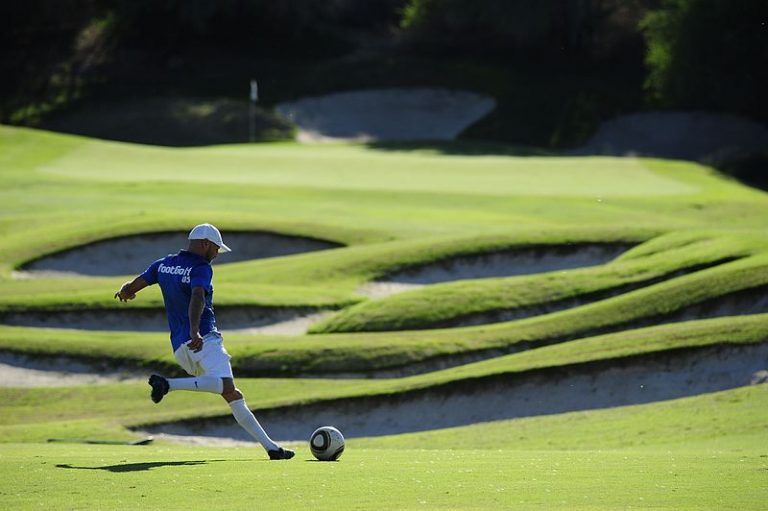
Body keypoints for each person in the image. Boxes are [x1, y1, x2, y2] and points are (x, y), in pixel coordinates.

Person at [114, 223, 294, 460]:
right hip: (203, 339)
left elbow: (135, 284)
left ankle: (272, 449)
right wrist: (196, 331)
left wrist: (126, 291)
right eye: (216, 249)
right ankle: (168, 384)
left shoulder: (164, 264)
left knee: (231, 394)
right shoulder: (201, 267)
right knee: (227, 387)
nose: (217, 254)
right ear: (205, 244)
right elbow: (198, 295)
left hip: (180, 348)